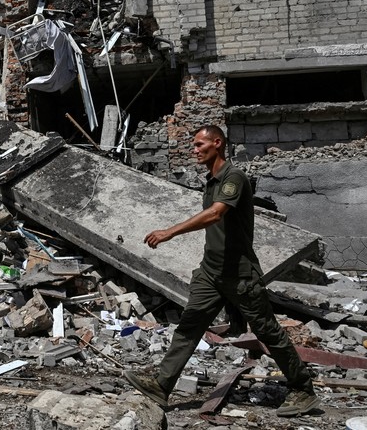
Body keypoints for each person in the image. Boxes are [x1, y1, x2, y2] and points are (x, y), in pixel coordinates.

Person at [124, 125, 320, 418]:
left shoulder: (233, 177)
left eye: (199, 144)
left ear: (217, 143)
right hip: (211, 272)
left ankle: (303, 389)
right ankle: (162, 385)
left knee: (267, 331)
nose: (194, 150)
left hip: (239, 274)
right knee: (190, 325)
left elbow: (216, 213)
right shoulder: (211, 180)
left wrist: (170, 232)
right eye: (193, 145)